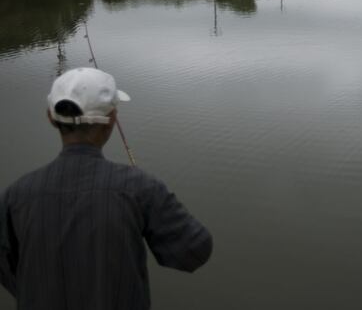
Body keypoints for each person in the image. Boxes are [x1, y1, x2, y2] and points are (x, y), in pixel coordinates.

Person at [0, 67, 213, 310]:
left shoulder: (15, 195)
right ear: (112, 120)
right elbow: (195, 251)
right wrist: (158, 200)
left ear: (51, 117)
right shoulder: (141, 187)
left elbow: (7, 268)